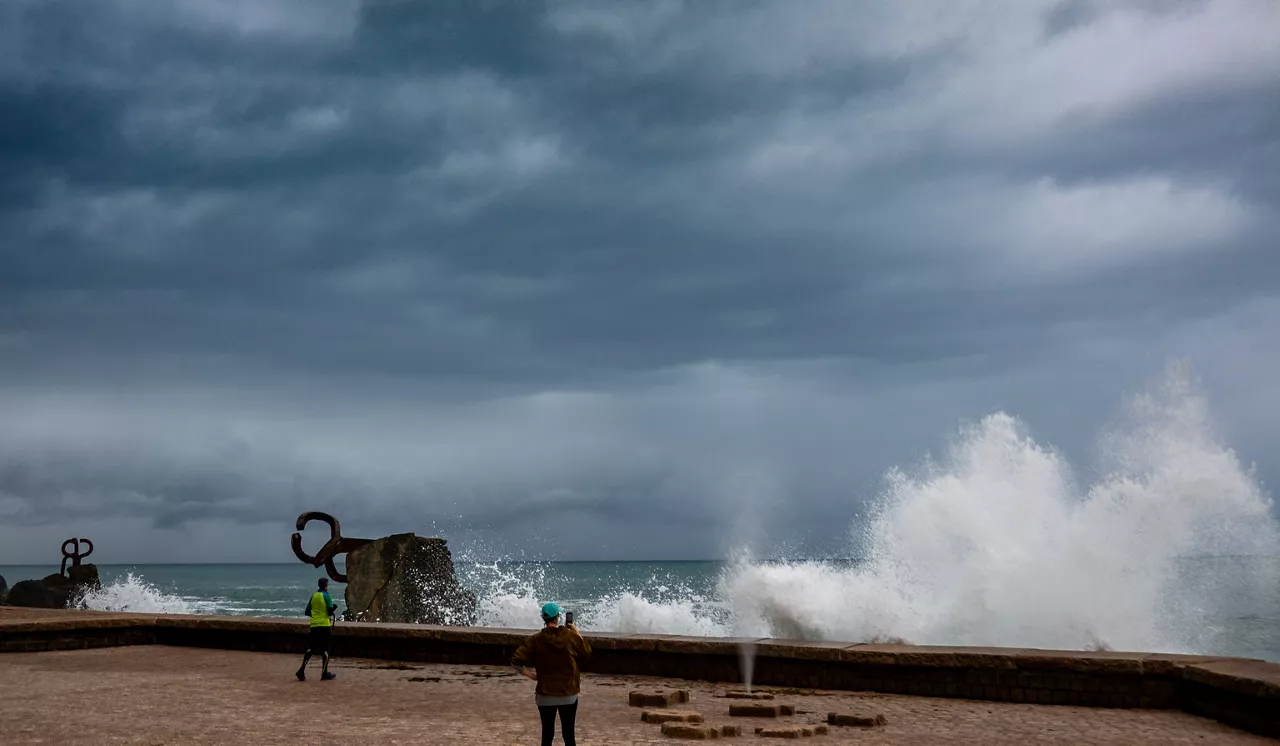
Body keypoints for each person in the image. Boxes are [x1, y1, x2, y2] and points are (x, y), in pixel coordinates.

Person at [511, 602, 591, 746]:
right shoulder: (569, 636)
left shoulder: (536, 639)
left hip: (545, 694)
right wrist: (576, 631)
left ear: (544, 618)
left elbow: (516, 660)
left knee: (547, 734)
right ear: (558, 617)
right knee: (569, 734)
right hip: (568, 694)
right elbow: (586, 652)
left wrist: (532, 676)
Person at [296, 577, 338, 681]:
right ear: (326, 585)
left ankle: (301, 670)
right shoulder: (326, 596)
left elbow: (307, 611)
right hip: (324, 625)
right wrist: (334, 607)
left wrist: (316, 615)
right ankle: (324, 673)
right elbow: (329, 611)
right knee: (326, 649)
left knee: (311, 648)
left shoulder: (314, 596)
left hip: (314, 625)